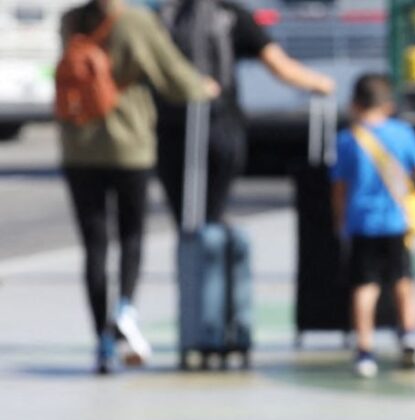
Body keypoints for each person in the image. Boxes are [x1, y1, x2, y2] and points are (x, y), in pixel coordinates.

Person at [58, 0, 220, 374]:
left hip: (77, 146)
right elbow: (174, 78)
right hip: (128, 143)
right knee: (131, 236)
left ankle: (101, 338)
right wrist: (203, 87)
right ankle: (124, 311)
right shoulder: (136, 22)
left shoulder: (71, 20)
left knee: (94, 244)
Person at [154, 0, 334, 229]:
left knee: (183, 215)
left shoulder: (163, 18)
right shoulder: (231, 16)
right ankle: (208, 250)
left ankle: (189, 254)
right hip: (221, 125)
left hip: (171, 127)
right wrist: (321, 83)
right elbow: (281, 66)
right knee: (212, 213)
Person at [332, 74, 415, 378]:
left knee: (365, 287)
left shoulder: (347, 139)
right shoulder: (402, 133)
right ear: (388, 104)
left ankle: (365, 350)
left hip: (361, 224)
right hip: (397, 222)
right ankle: (409, 335)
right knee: (403, 282)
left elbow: (339, 189)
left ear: (356, 103)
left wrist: (340, 222)